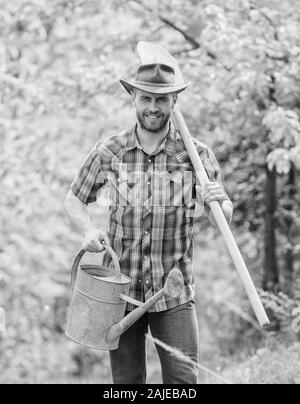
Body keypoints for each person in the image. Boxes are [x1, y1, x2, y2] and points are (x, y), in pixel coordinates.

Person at [64, 60, 233, 384]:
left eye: (161, 100)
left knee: (183, 382)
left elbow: (220, 217)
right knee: (127, 385)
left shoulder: (194, 156)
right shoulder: (110, 151)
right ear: (133, 99)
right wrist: (87, 229)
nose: (153, 107)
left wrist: (218, 202)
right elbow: (74, 199)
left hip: (174, 290)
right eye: (146, 98)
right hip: (120, 293)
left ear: (174, 102)